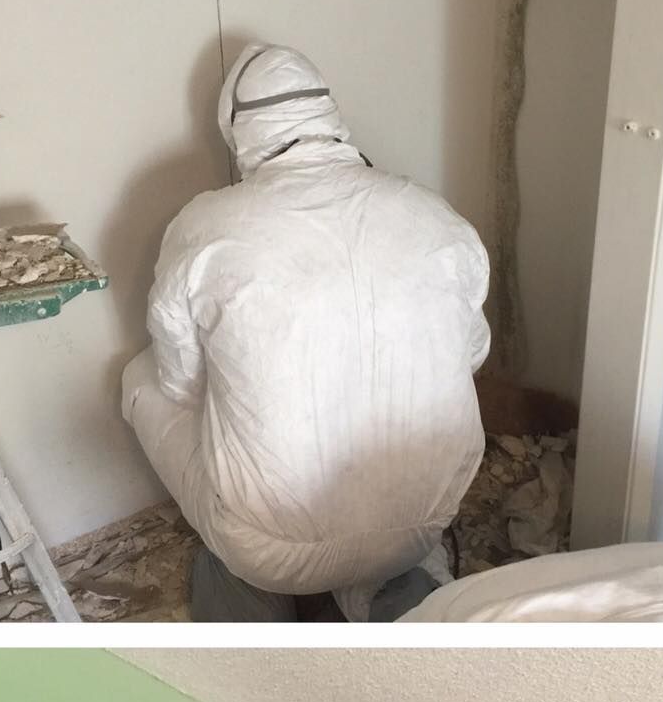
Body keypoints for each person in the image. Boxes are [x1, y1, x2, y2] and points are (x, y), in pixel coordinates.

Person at [122, 43, 492, 622]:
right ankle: (389, 591)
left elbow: (180, 383)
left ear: (239, 132)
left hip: (269, 551)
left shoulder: (206, 225)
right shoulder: (436, 215)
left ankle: (245, 588)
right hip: (423, 525)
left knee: (138, 378)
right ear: (331, 118)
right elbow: (470, 355)